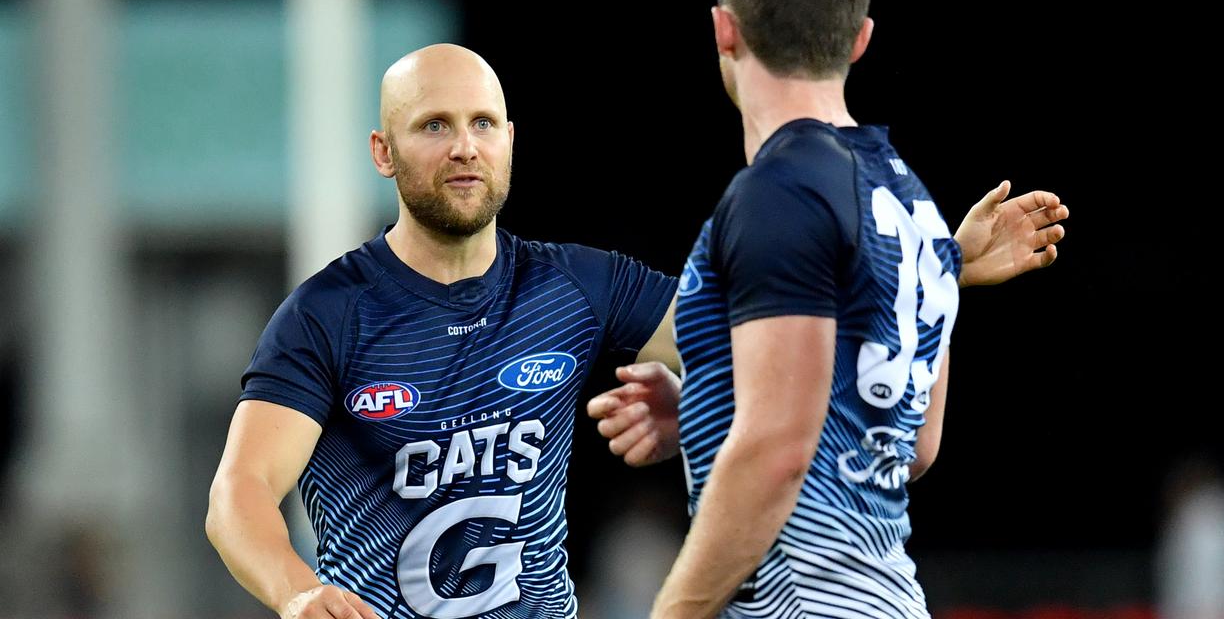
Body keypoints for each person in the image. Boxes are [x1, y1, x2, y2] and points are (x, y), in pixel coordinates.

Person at [207, 41, 1063, 619]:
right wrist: (296, 593)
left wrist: (936, 268)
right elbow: (238, 496)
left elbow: (779, 358)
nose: (463, 146)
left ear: (511, 141)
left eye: (482, 124)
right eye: (434, 126)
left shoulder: (578, 284)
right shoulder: (329, 313)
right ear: (383, 152)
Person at [588, 0, 1071, 618]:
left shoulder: (777, 195)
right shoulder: (910, 202)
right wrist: (707, 407)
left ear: (725, 29)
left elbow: (780, 448)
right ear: (860, 39)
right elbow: (904, 447)